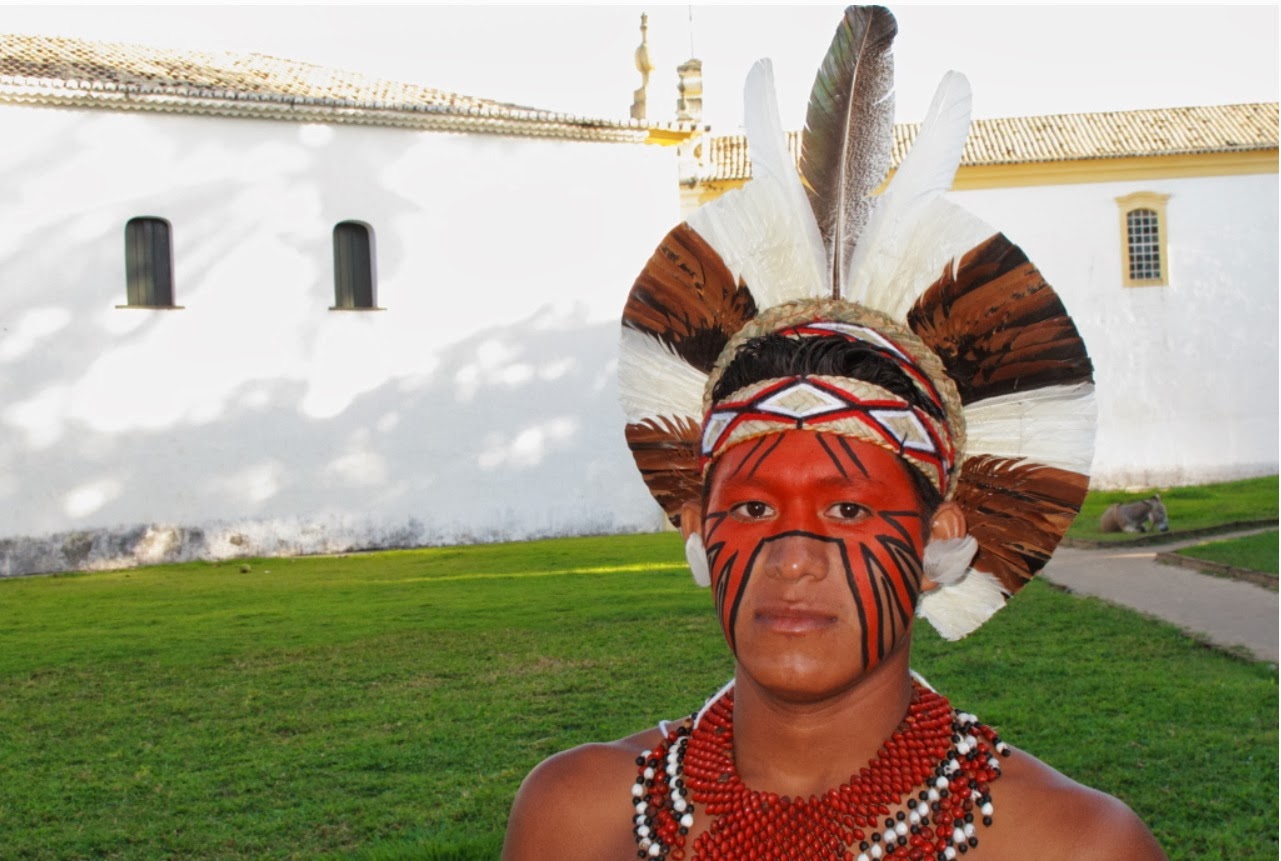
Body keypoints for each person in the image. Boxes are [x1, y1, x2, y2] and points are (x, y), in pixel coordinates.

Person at [504, 6, 1167, 859]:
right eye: (751, 509)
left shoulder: (1071, 845)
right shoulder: (575, 817)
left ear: (936, 538)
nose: (792, 557)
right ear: (699, 529)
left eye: (848, 510)